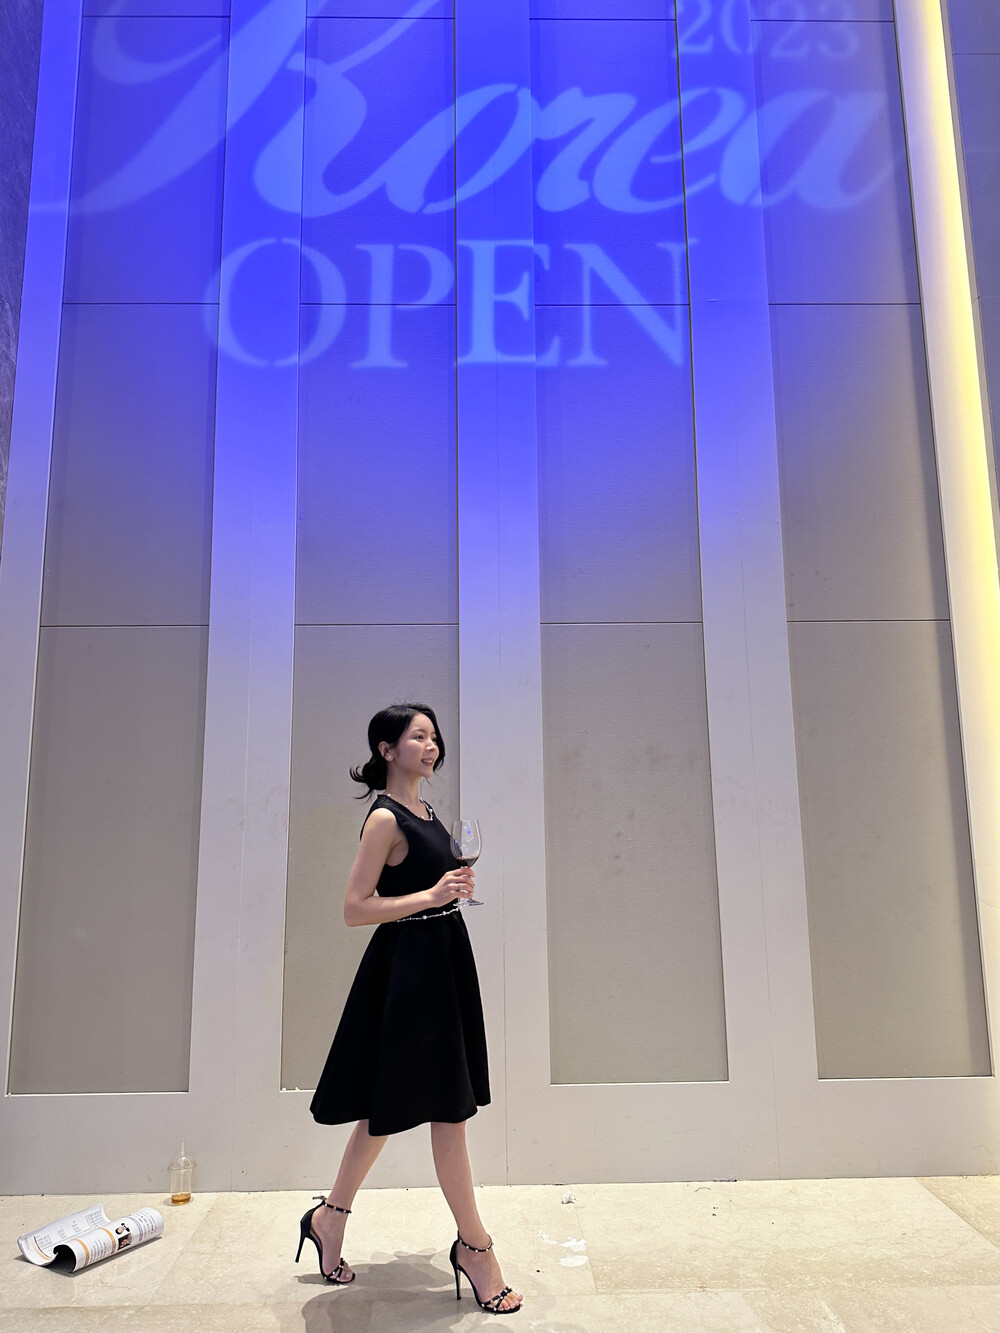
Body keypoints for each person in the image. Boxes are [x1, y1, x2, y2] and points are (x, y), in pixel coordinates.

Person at [296, 703, 523, 1315]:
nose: (431, 745)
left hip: (442, 959)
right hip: (409, 971)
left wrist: (451, 890)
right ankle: (475, 1248)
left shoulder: (425, 812)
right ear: (387, 749)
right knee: (446, 1110)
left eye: (434, 737)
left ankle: (329, 1216)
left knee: (387, 1108)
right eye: (418, 736)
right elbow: (355, 908)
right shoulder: (383, 818)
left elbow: (429, 887)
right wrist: (430, 894)